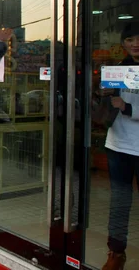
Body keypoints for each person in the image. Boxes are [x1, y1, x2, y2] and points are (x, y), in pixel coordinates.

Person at [101, 22, 139, 270]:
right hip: (118, 145)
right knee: (120, 202)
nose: (135, 44)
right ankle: (116, 254)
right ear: (124, 43)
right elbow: (107, 101)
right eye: (130, 40)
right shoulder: (118, 70)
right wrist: (103, 98)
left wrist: (127, 107)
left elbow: (126, 105)